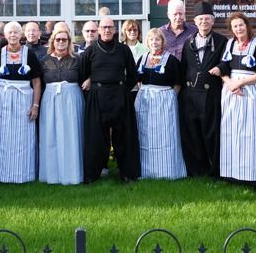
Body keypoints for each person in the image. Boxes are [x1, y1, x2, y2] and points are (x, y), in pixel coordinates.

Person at [217, 12, 256, 188]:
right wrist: (231, 84)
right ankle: (233, 174)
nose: (238, 29)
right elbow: (223, 68)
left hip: (251, 92)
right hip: (232, 91)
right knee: (232, 132)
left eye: (241, 25)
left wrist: (241, 82)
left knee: (253, 133)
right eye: (235, 26)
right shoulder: (229, 45)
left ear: (247, 26)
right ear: (231, 29)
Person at [80, 16, 140, 183]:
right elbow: (82, 75)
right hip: (97, 97)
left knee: (124, 136)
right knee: (96, 138)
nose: (107, 30)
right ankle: (93, 174)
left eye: (110, 27)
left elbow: (133, 75)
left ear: (115, 30)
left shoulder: (123, 50)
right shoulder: (90, 51)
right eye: (104, 27)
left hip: (120, 96)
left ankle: (128, 173)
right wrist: (91, 85)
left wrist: (123, 90)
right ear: (99, 30)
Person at [0, 21, 42, 183]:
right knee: (2, 136)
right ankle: (0, 173)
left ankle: (23, 173)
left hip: (24, 99)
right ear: (5, 35)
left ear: (21, 35)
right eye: (9, 32)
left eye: (16, 32)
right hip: (2, 98)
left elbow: (37, 81)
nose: (12, 35)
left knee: (23, 136)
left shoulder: (29, 54)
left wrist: (35, 105)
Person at [178, 1, 227, 177]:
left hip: (211, 95)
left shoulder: (222, 41)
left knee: (211, 133)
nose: (203, 22)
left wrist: (221, 67)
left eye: (207, 19)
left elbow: (227, 62)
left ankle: (215, 170)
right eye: (200, 19)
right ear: (195, 21)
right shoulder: (188, 42)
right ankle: (196, 170)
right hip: (190, 95)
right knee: (192, 134)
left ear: (213, 21)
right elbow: (183, 68)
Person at [135, 28, 186, 179]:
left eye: (157, 39)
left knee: (165, 134)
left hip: (164, 100)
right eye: (151, 40)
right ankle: (146, 171)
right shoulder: (143, 58)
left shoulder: (170, 59)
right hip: (145, 100)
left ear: (162, 41)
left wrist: (168, 98)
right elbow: (138, 80)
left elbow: (178, 83)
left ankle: (167, 171)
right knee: (145, 134)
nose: (154, 42)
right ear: (148, 42)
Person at [39, 28, 84, 185]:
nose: (61, 42)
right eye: (58, 39)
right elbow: (38, 83)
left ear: (69, 42)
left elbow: (85, 77)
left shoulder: (77, 60)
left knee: (71, 135)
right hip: (50, 100)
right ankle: (52, 175)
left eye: (64, 39)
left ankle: (72, 175)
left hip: (72, 99)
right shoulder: (44, 61)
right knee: (51, 135)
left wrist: (89, 80)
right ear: (53, 41)